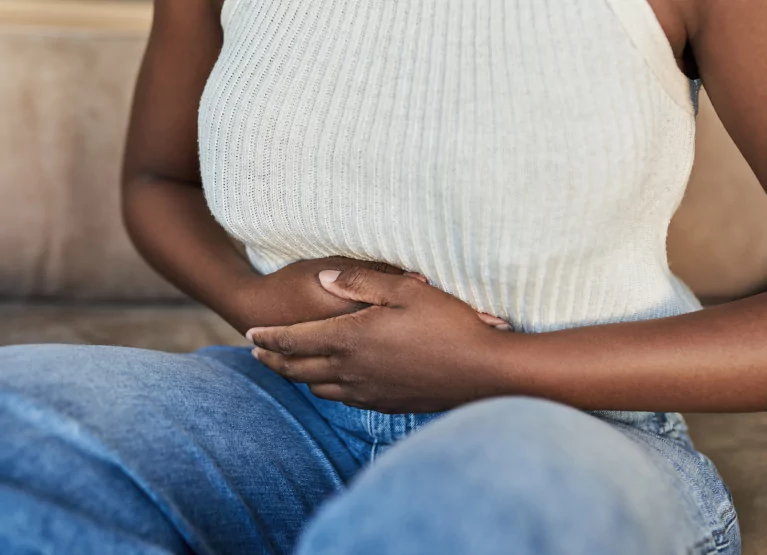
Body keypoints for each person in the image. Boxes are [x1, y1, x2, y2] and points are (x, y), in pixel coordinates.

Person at [1, 0, 763, 552]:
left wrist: (492, 365)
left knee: (465, 511)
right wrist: (250, 299)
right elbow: (157, 182)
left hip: (570, 435)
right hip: (285, 415)